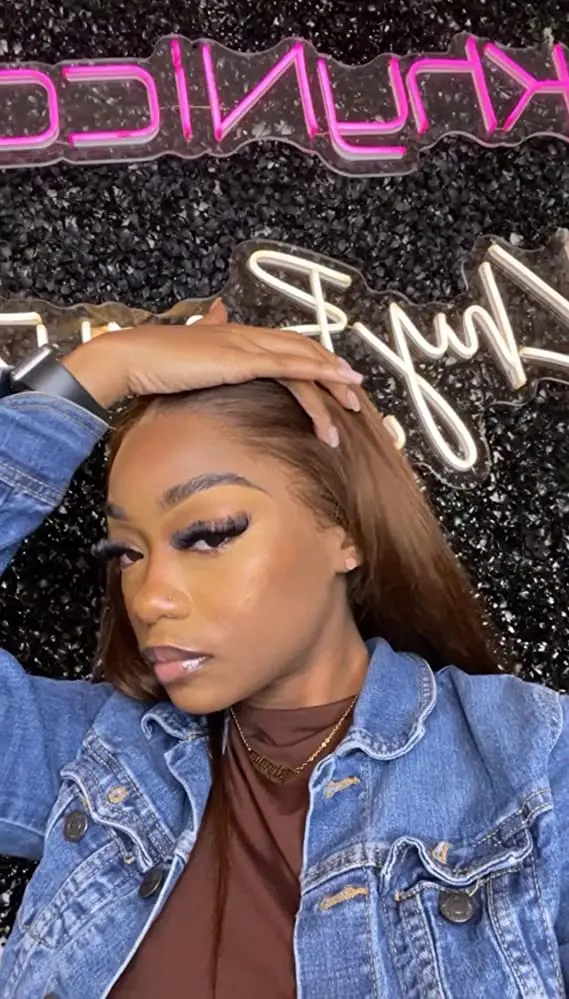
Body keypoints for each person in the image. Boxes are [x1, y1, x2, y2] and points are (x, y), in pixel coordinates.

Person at [0, 299, 567, 999]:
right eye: (126, 553)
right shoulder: (103, 757)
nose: (148, 598)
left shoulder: (531, 761)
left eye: (208, 534)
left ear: (346, 530)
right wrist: (98, 369)